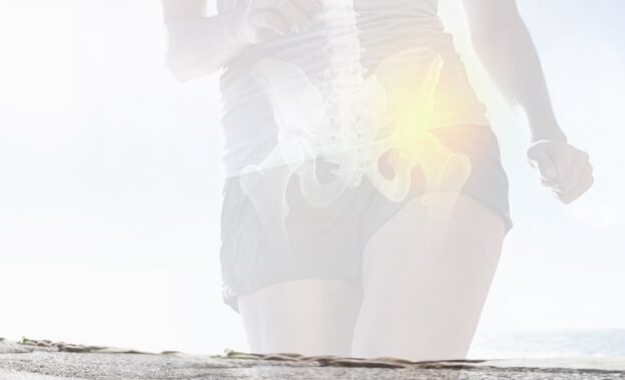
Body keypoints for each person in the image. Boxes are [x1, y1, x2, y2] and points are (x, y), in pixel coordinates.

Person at [162, 0, 593, 361]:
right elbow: (181, 50)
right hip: (274, 175)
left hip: (429, 137)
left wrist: (544, 128)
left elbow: (495, 21)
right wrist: (239, 24)